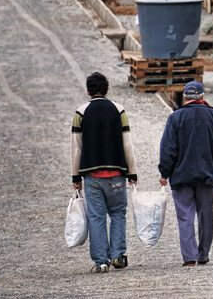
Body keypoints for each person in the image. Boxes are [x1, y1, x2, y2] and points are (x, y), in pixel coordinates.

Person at [158, 81, 213, 267]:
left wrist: (164, 172)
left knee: (185, 216)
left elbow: (168, 149)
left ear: (184, 98)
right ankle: (203, 254)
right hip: (207, 176)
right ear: (202, 97)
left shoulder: (175, 118)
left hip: (181, 176)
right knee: (205, 215)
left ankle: (189, 257)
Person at [71, 72, 138, 274]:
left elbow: (77, 147)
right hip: (117, 174)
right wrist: (132, 172)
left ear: (88, 90)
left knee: (96, 217)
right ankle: (118, 255)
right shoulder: (118, 110)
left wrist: (75, 176)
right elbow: (127, 143)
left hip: (92, 176)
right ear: (107, 90)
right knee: (118, 213)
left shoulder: (80, 113)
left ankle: (101, 262)